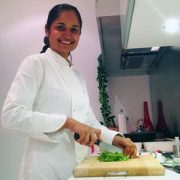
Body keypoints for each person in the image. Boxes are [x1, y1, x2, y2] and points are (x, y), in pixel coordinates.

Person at [1, 4, 137, 180]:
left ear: (79, 35)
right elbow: (10, 116)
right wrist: (68, 123)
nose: (67, 35)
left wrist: (116, 138)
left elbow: (88, 122)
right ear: (47, 30)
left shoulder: (77, 76)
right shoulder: (35, 64)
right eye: (60, 27)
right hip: (43, 171)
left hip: (78, 170)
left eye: (74, 29)